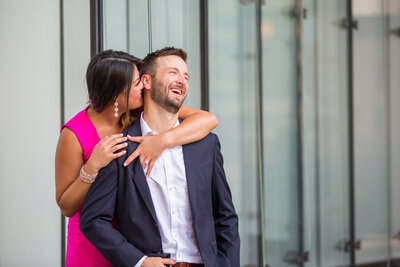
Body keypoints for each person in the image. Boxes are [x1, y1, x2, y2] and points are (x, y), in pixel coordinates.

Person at [55, 50, 219, 267]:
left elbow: (208, 120)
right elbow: (66, 206)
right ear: (116, 92)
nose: (142, 86)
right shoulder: (74, 133)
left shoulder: (140, 112)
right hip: (93, 244)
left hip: (134, 242)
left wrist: (161, 141)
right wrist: (93, 166)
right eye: (135, 84)